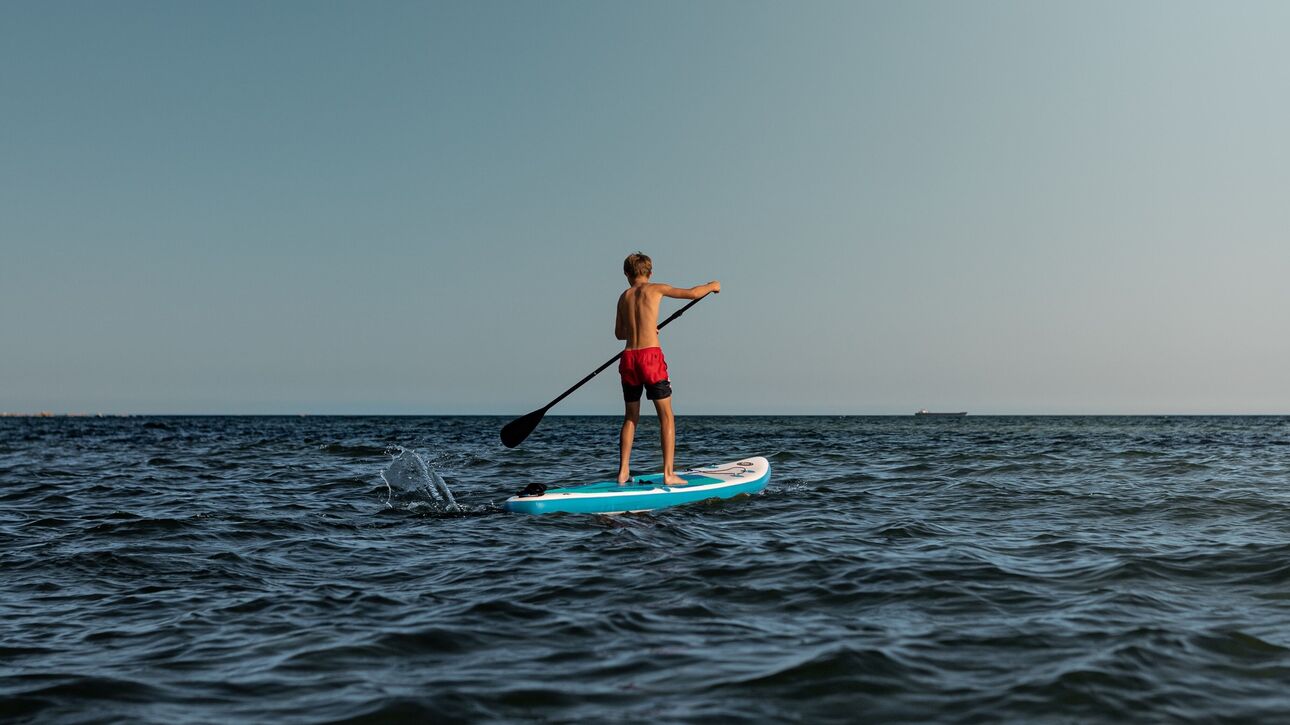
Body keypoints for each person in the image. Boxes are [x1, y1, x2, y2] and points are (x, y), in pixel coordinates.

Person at [614, 252, 720, 485]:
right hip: (650, 358)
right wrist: (712, 285)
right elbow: (692, 293)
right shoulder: (656, 288)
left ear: (627, 274)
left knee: (630, 417)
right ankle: (669, 474)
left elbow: (619, 334)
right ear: (649, 273)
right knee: (666, 417)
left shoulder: (624, 297)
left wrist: (643, 330)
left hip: (629, 358)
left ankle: (623, 472)